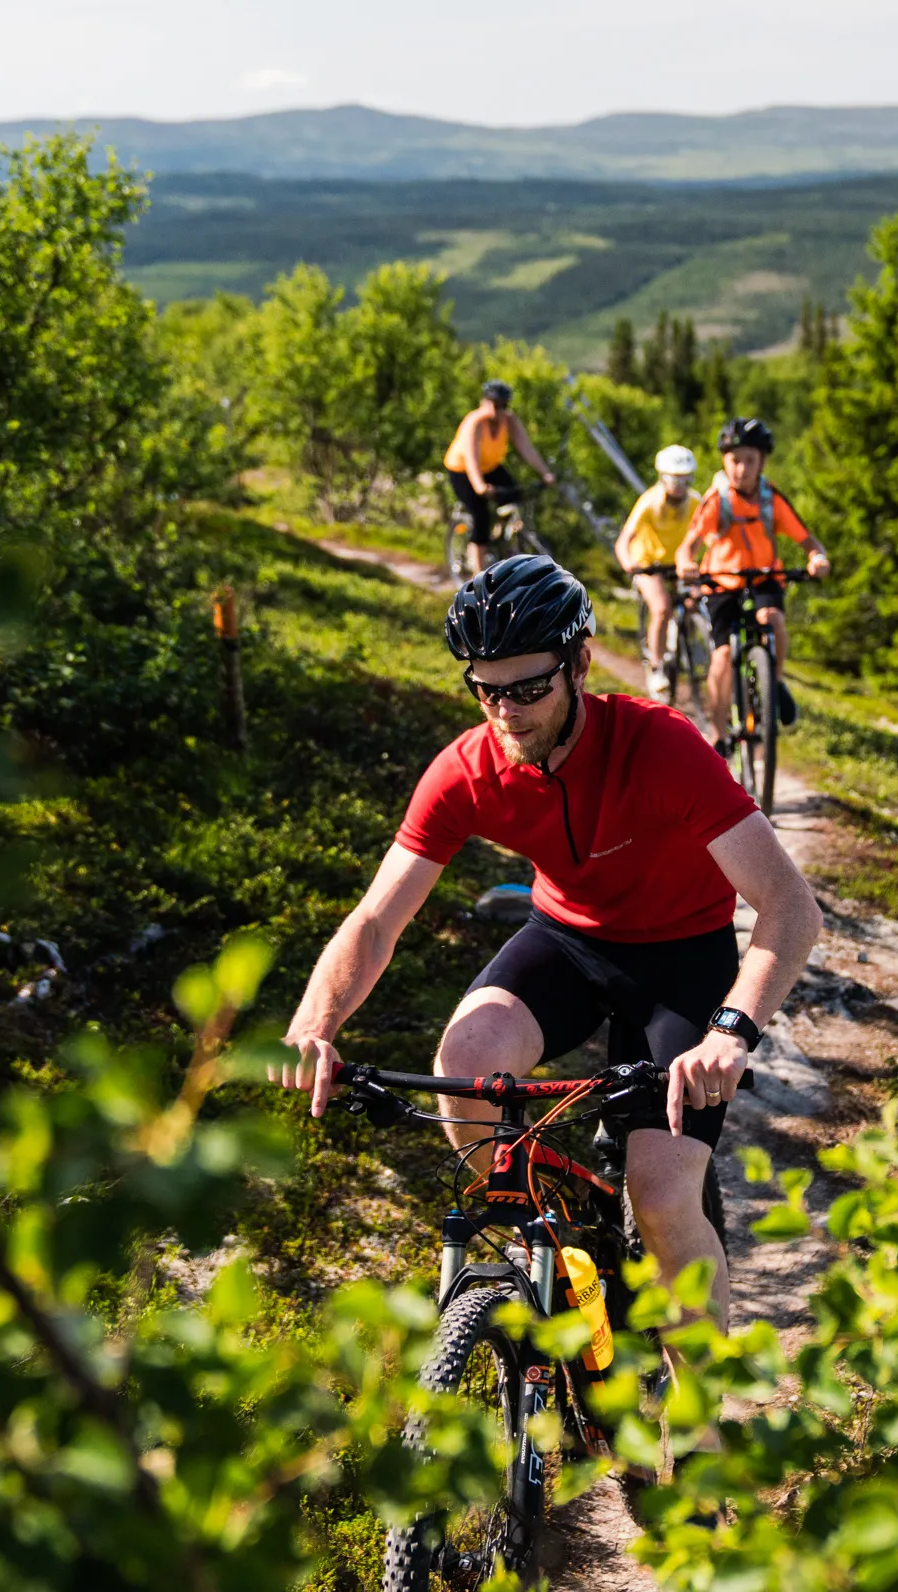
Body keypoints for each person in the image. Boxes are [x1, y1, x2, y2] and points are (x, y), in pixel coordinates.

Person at [267, 555, 824, 1342]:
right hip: (566, 942)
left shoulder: (660, 747)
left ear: (580, 664)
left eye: (529, 689)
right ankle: (559, 1248)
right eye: (486, 690)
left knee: (663, 1199)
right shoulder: (467, 771)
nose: (507, 713)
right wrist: (313, 1027)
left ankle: (700, 1413)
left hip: (682, 961)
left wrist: (730, 1032)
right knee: (463, 1063)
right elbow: (375, 922)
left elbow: (790, 907)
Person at [675, 417, 830, 736]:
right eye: (735, 460)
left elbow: (808, 541)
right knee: (722, 657)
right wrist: (685, 563)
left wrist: (817, 558)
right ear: (724, 461)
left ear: (762, 462)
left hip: (763, 577)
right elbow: (687, 546)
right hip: (721, 582)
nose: (742, 469)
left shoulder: (771, 499)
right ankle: (717, 735)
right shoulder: (717, 500)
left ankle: (774, 682)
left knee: (773, 619)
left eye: (750, 460)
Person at [614, 444, 701, 703]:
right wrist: (629, 563)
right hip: (648, 563)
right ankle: (656, 667)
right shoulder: (650, 501)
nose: (680, 486)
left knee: (696, 601)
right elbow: (624, 540)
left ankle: (686, 642)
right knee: (661, 608)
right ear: (663, 477)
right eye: (675, 479)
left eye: (685, 479)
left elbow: (707, 535)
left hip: (679, 564)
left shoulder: (695, 501)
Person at [444, 381, 557, 575]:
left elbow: (526, 449)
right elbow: (471, 458)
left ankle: (502, 539)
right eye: (496, 405)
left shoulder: (509, 421)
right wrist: (480, 487)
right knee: (480, 516)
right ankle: (478, 577)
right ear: (484, 402)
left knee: (515, 495)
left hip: (490, 467)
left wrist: (545, 473)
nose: (500, 410)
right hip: (462, 470)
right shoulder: (474, 422)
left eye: (504, 405)